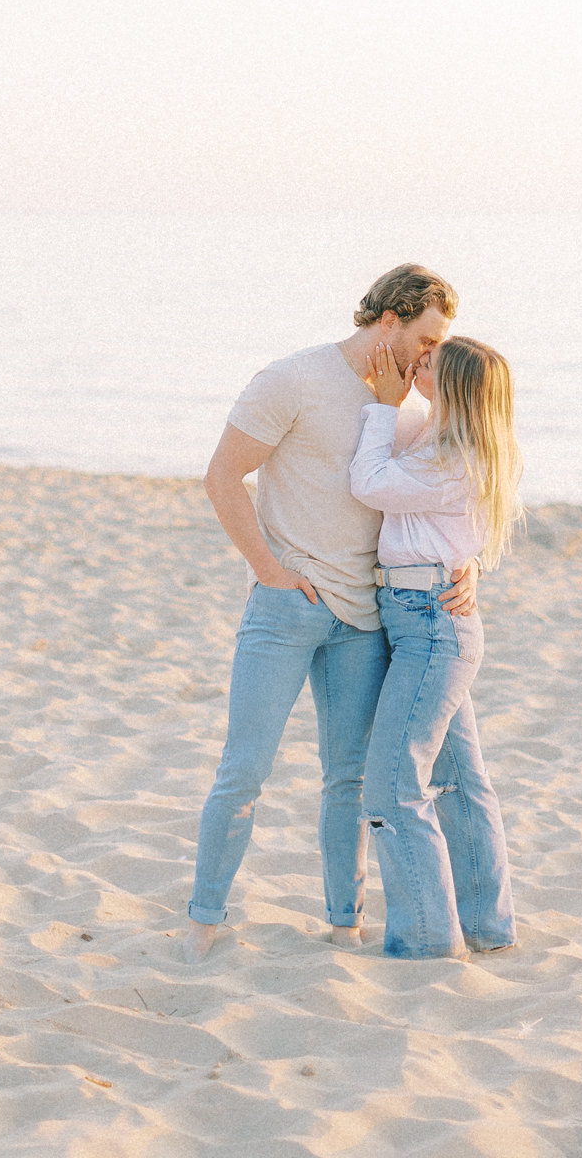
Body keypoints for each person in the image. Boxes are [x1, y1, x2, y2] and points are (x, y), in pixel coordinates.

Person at [183, 264, 480, 964]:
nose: (433, 354)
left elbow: (448, 492)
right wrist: (270, 572)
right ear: (389, 322)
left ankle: (343, 922)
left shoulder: (403, 408)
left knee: (347, 778)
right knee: (244, 769)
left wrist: (468, 566)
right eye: (427, 336)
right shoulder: (291, 379)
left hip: (366, 616)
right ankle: (203, 921)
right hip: (285, 608)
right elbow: (223, 476)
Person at [349, 334, 521, 959]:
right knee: (460, 779)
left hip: (429, 625)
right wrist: (467, 560)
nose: (417, 365)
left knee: (393, 786)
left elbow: (369, 482)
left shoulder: (455, 457)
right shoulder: (445, 441)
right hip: (424, 618)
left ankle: (426, 940)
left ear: (453, 389)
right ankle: (485, 928)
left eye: (430, 364)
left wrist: (383, 403)